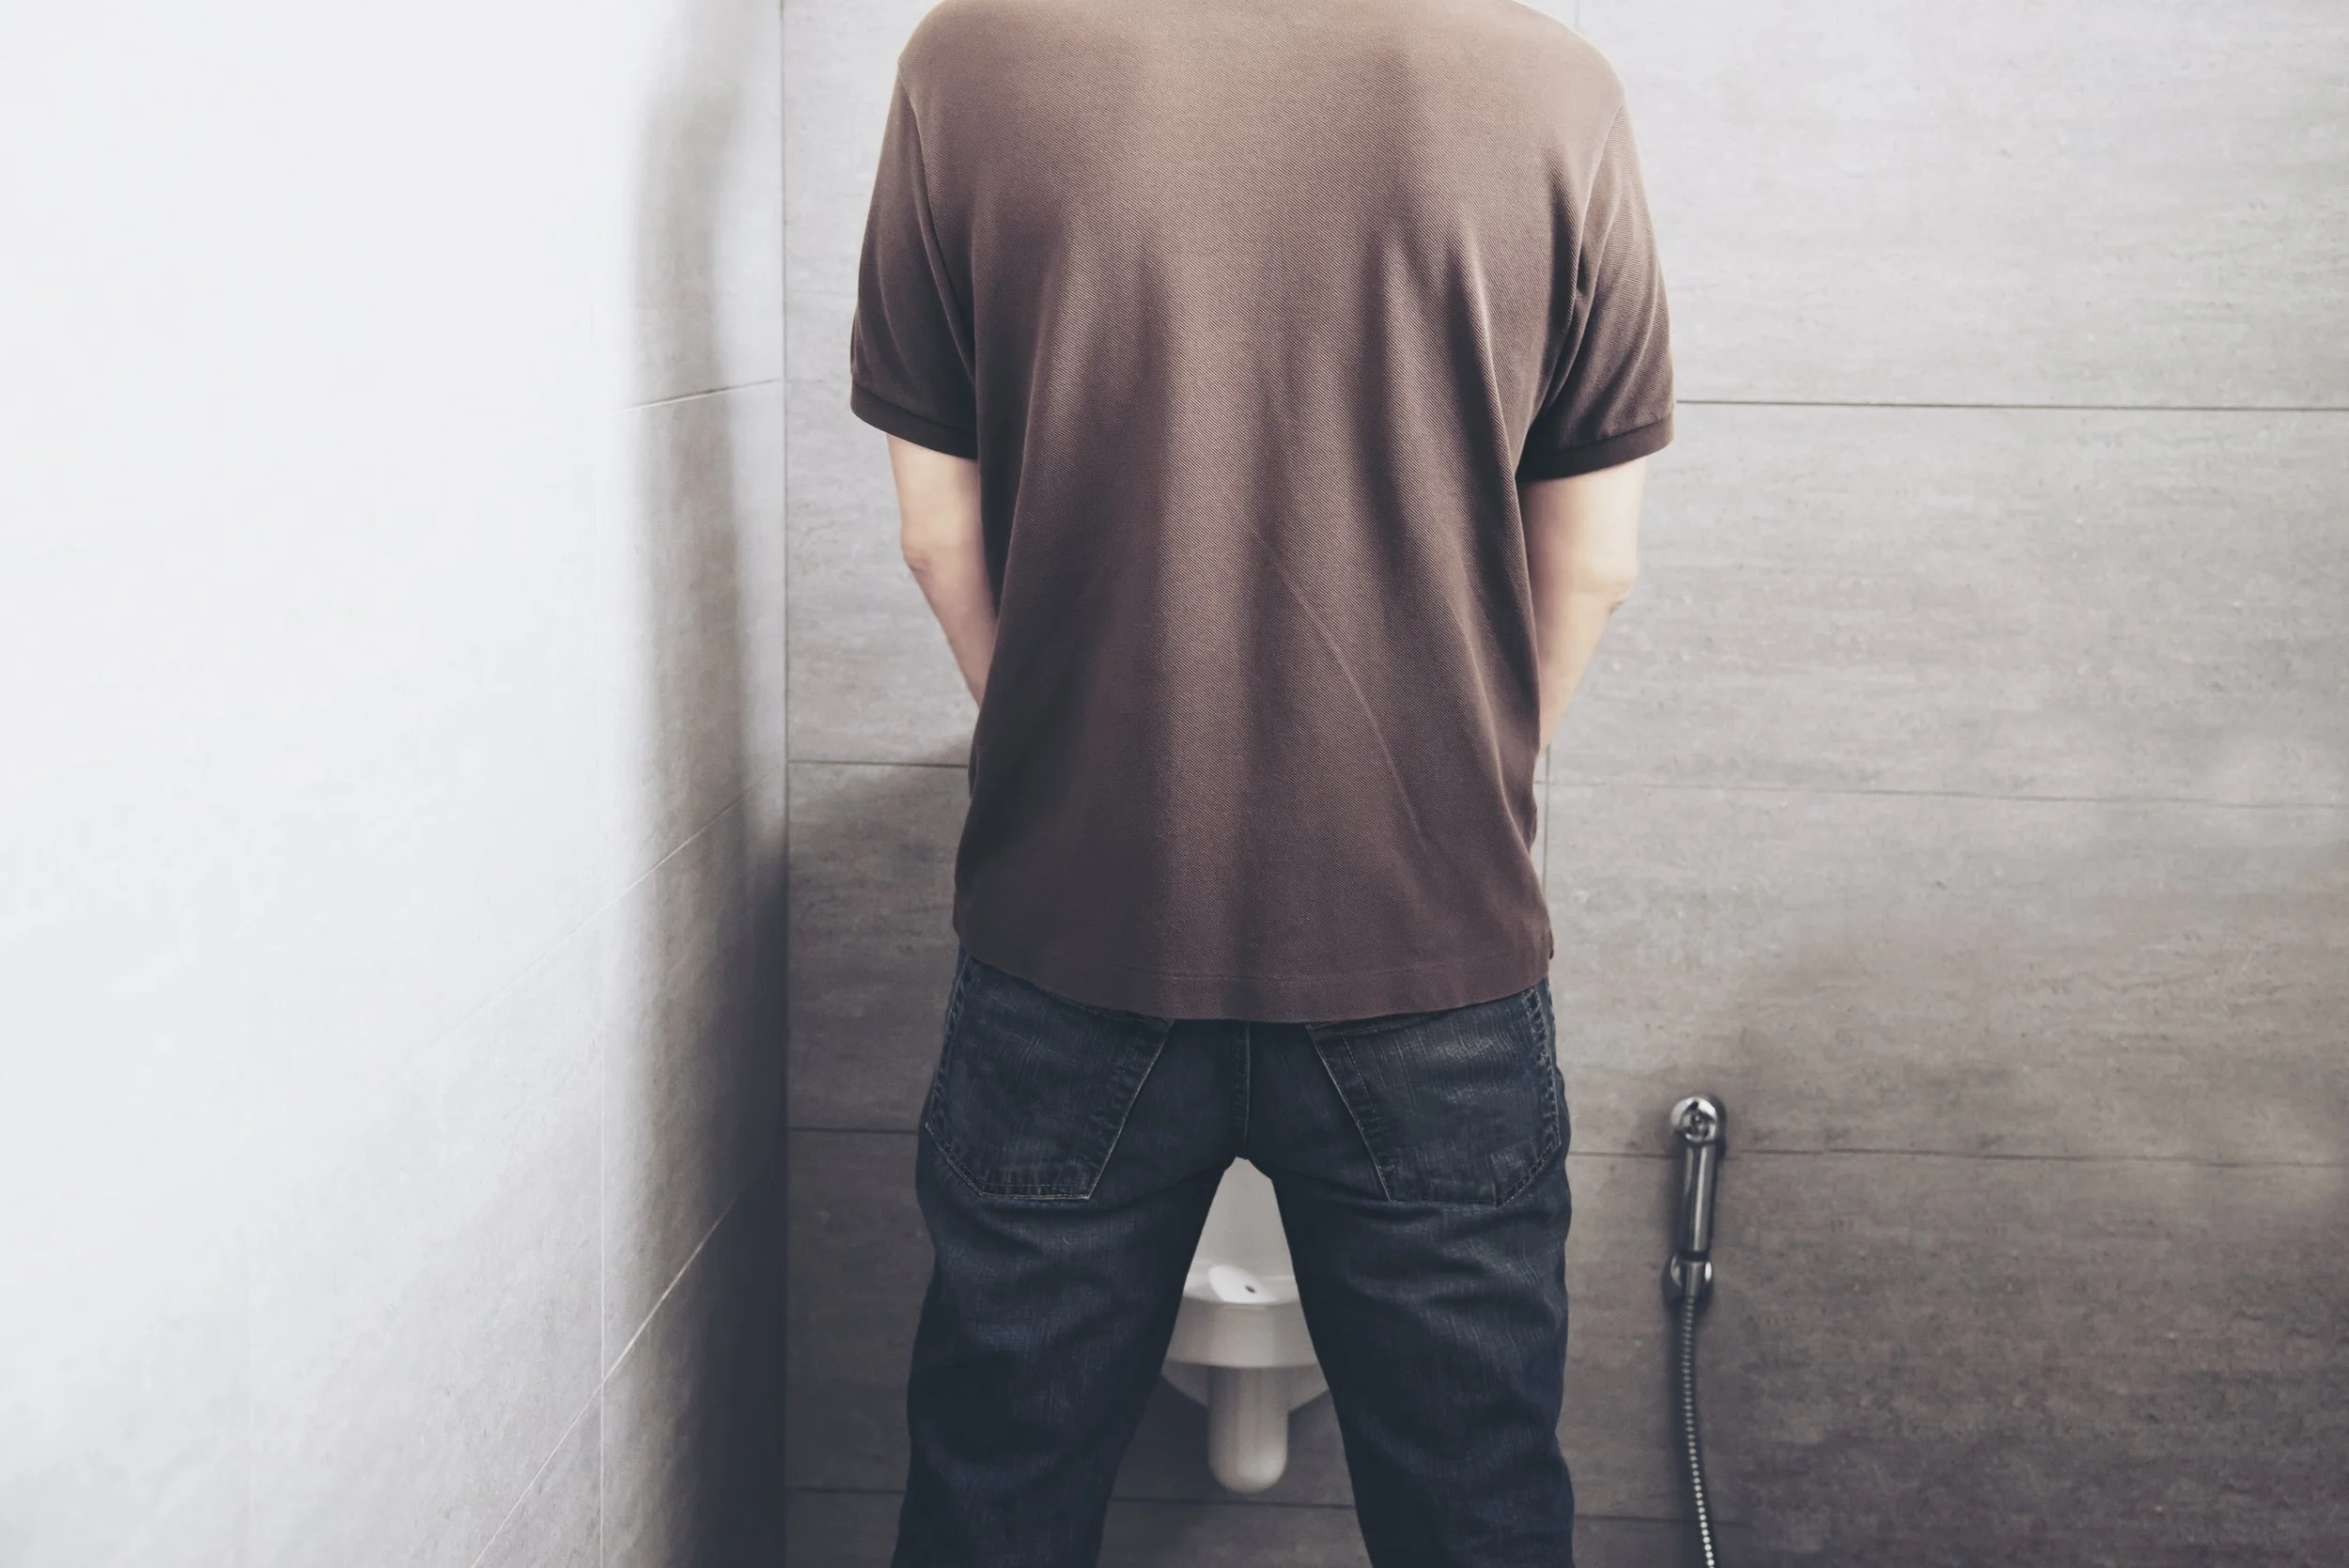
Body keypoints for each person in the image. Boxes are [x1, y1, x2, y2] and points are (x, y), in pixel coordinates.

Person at [848, 0, 1672, 1561]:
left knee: (993, 1504)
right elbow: (1596, 564)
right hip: (1431, 958)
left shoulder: (967, 57)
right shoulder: (1556, 85)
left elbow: (938, 536)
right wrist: (1450, 791)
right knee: (1477, 1512)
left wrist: (1075, 761)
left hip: (1072, 933)